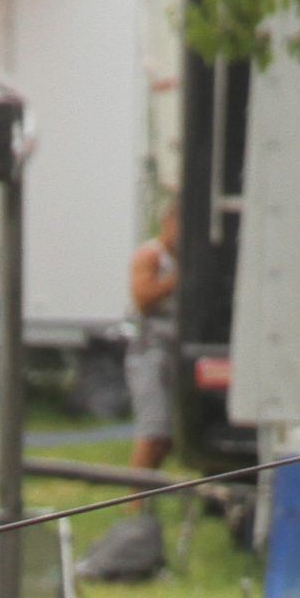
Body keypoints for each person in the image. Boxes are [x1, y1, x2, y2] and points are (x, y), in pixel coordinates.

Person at [126, 204, 181, 476]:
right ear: (168, 222)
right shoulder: (152, 255)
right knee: (152, 432)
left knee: (167, 438)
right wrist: (176, 280)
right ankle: (134, 497)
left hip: (176, 352)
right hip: (150, 353)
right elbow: (142, 299)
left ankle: (148, 492)